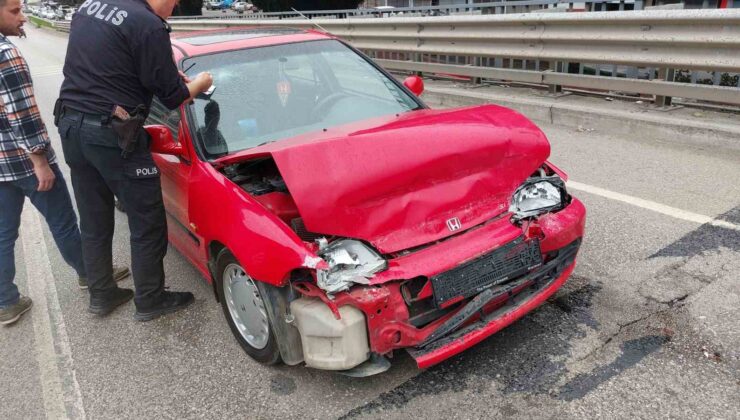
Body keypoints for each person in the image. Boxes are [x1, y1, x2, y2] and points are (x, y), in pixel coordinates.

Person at [56, 0, 212, 321]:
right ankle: (151, 299)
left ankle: (102, 294)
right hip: (112, 134)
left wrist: (166, 74)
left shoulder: (91, 5)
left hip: (71, 126)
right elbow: (174, 98)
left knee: (94, 217)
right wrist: (201, 83)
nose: (177, 5)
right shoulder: (148, 24)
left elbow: (112, 62)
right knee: (147, 219)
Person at [0, 0, 129, 325]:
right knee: (63, 222)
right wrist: (40, 160)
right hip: (26, 161)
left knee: (3, 233)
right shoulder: (6, 55)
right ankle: (91, 274)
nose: (23, 17)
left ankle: (5, 302)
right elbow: (24, 116)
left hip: (1, 165)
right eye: (14, 11)